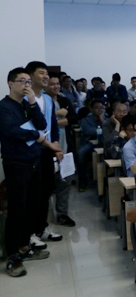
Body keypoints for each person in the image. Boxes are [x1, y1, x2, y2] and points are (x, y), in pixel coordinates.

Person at [0, 67, 51, 277]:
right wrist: (36, 136)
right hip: (16, 163)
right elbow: (10, 130)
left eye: (29, 81)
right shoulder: (4, 107)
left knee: (32, 206)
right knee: (17, 210)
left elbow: (42, 124)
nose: (27, 85)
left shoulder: (27, 104)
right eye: (22, 81)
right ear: (10, 83)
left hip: (34, 161)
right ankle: (12, 257)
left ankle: (24, 247)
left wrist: (32, 103)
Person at [25, 62, 65, 248]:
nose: (46, 76)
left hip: (47, 151)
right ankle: (30, 233)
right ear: (31, 76)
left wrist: (56, 147)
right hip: (31, 151)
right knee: (33, 193)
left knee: (46, 190)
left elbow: (53, 125)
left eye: (47, 73)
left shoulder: (48, 99)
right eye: (41, 73)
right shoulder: (24, 99)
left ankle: (41, 228)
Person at [45, 73, 77, 227]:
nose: (56, 86)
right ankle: (43, 219)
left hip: (66, 146)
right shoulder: (42, 101)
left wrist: (57, 121)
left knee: (65, 181)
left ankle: (62, 214)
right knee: (47, 184)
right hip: (47, 148)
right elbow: (42, 122)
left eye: (57, 84)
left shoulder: (64, 100)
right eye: (52, 84)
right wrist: (57, 115)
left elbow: (73, 118)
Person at [77, 99, 106, 191]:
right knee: (81, 154)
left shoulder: (107, 118)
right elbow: (88, 131)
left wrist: (102, 120)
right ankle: (83, 182)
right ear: (92, 109)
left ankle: (103, 184)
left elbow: (110, 131)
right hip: (90, 143)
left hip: (104, 143)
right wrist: (102, 131)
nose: (100, 110)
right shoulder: (85, 120)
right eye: (97, 108)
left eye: (101, 107)